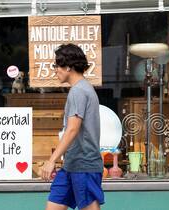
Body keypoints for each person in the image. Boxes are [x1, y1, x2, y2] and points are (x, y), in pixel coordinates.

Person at [42, 43, 104, 210]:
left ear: (68, 67)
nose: (55, 70)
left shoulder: (78, 91)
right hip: (71, 165)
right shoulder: (82, 89)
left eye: (57, 65)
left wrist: (51, 160)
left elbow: (72, 129)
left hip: (84, 165)